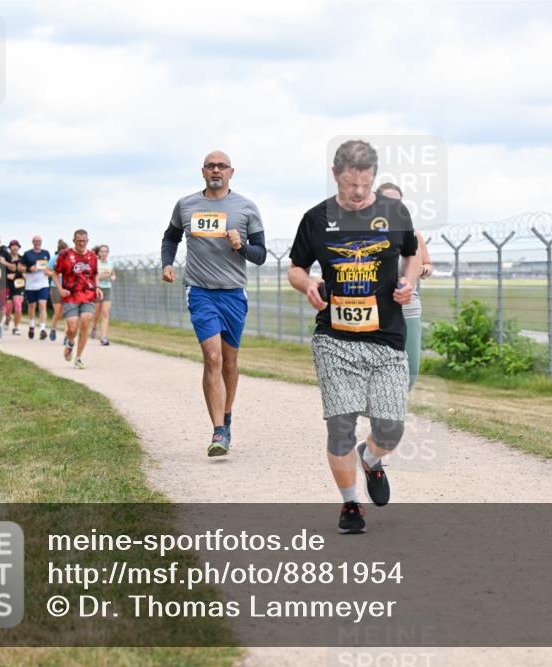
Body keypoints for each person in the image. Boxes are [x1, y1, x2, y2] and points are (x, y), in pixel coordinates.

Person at [288, 140, 419, 533]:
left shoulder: (395, 212)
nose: (358, 193)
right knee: (340, 423)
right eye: (350, 185)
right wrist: (307, 284)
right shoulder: (316, 219)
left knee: (391, 427)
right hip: (335, 339)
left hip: (386, 338)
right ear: (335, 175)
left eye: (365, 184)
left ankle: (372, 459)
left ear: (374, 177)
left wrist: (409, 281)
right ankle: (350, 505)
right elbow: (296, 268)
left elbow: (412, 253)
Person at [161, 150, 267, 457]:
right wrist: (167, 263)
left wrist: (241, 246)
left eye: (222, 166)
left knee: (230, 361)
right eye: (211, 166)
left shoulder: (246, 207)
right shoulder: (186, 205)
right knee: (212, 356)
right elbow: (170, 237)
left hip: (233, 293)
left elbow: (260, 255)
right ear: (203, 171)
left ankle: (227, 415)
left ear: (232, 172)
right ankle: (218, 430)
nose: (216, 170)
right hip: (200, 291)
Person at [377, 182, 434, 389]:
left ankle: (397, 401)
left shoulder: (413, 234)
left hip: (408, 304)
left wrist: (422, 270)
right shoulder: (368, 234)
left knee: (410, 370)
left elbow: (428, 264)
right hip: (377, 306)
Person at [52, 230, 101, 369]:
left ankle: (78, 358)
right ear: (74, 241)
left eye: (84, 241)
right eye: (79, 241)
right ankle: (70, 342)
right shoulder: (65, 255)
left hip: (88, 294)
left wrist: (97, 287)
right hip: (70, 295)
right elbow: (55, 273)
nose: (81, 243)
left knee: (85, 322)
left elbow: (95, 274)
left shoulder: (92, 256)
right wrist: (60, 289)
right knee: (72, 328)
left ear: (87, 241)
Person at [21, 235, 52, 340]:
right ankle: (32, 326)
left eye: (39, 241)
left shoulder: (46, 253)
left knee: (42, 305)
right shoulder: (27, 254)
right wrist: (29, 269)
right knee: (32, 306)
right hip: (31, 285)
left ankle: (42, 329)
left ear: (41, 242)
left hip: (43, 284)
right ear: (32, 242)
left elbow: (50, 268)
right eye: (35, 241)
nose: (37, 242)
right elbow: (20, 267)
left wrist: (48, 271)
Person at [91, 244, 116, 345]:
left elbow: (112, 274)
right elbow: (94, 277)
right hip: (98, 289)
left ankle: (104, 337)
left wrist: (113, 277)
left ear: (108, 253)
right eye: (102, 251)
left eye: (105, 251)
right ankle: (94, 326)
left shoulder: (110, 263)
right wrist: (102, 276)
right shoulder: (96, 263)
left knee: (105, 313)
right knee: (96, 313)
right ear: (99, 253)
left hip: (107, 289)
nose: (103, 253)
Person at [47, 239, 68, 342]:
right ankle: (53, 328)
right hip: (55, 287)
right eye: (62, 251)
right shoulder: (54, 259)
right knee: (58, 312)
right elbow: (46, 271)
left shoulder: (70, 259)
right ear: (59, 251)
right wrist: (56, 274)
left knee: (67, 312)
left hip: (67, 287)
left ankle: (67, 335)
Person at [4, 240, 26, 335]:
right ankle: (7, 319)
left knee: (18, 305)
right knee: (8, 308)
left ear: (19, 247)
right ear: (10, 248)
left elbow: (26, 269)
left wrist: (25, 274)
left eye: (16, 245)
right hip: (8, 285)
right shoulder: (6, 259)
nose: (15, 247)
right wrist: (6, 276)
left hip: (19, 284)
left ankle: (16, 327)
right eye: (12, 246)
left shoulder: (22, 259)